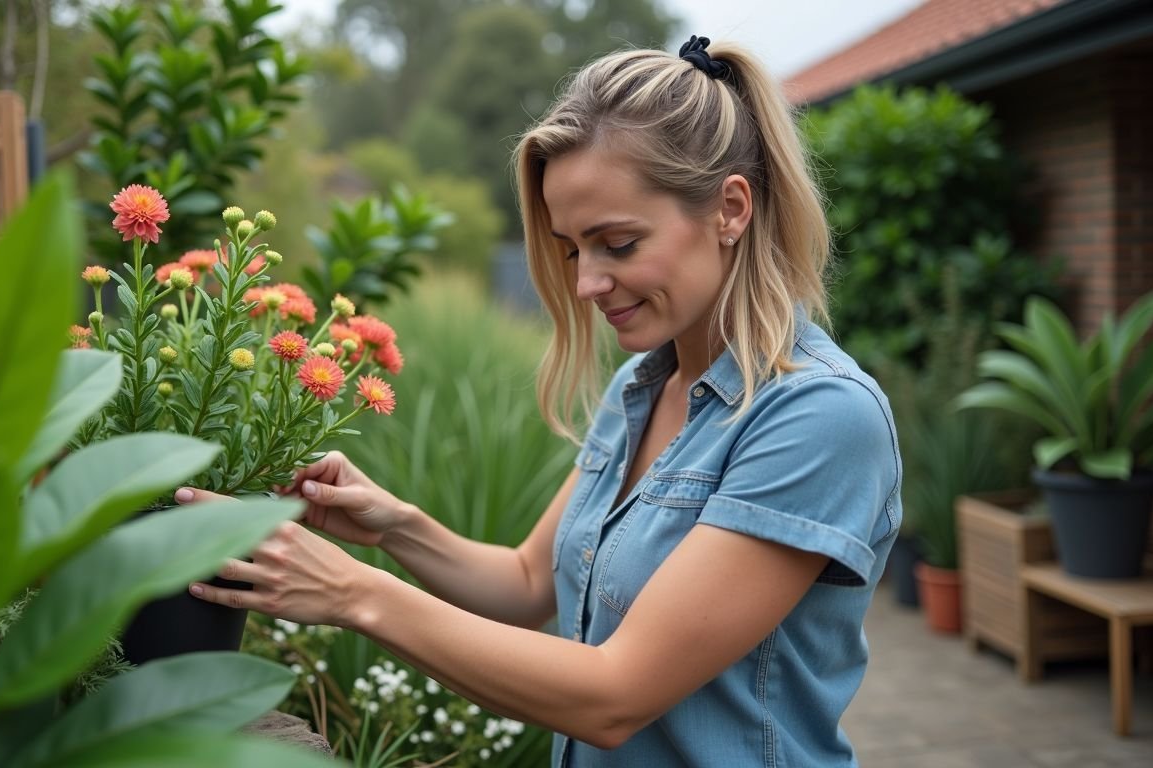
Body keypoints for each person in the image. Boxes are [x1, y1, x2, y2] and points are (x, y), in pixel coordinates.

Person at [181, 34, 902, 767]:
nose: (587, 283)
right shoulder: (643, 389)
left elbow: (614, 696)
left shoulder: (817, 418)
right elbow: (529, 582)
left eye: (616, 243)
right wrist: (396, 527)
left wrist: (347, 591)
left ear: (731, 210)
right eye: (570, 249)